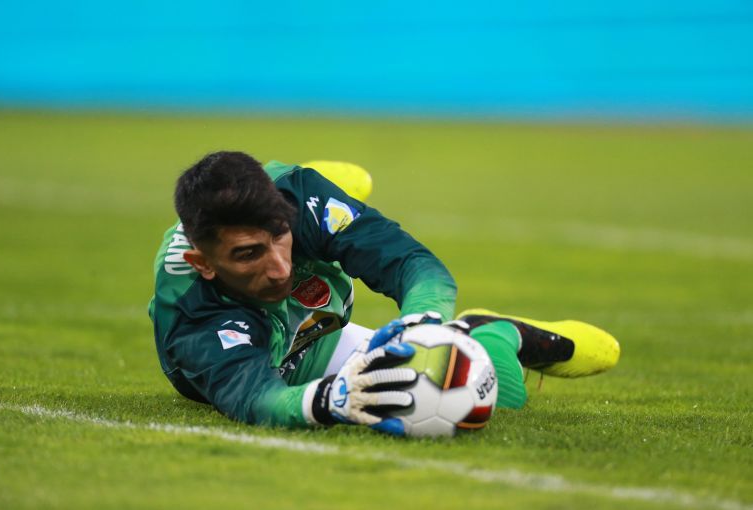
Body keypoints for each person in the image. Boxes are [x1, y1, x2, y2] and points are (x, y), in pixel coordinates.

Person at [148, 151, 619, 435]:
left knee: (452, 387)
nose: (279, 268)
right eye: (249, 254)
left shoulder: (298, 203)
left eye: (279, 236)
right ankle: (488, 335)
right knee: (440, 402)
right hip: (283, 355)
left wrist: (425, 319)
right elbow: (256, 398)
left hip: (317, 329)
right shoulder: (191, 312)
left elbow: (415, 265)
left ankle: (328, 190)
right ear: (203, 263)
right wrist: (329, 400)